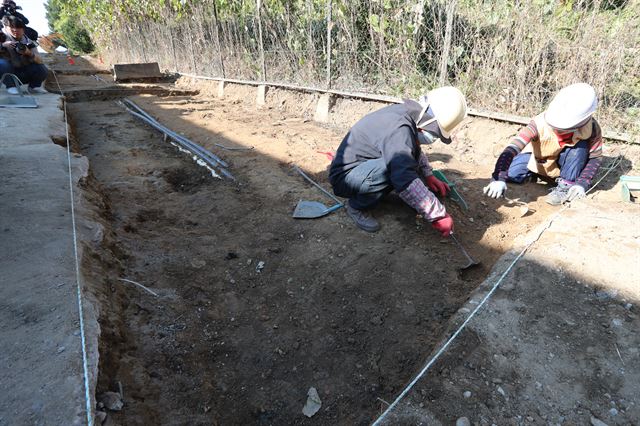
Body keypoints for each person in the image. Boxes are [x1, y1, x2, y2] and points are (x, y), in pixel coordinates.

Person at [328, 86, 467, 235]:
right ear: (426, 122)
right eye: (435, 133)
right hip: (344, 178)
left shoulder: (406, 116)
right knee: (396, 169)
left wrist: (428, 175)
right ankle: (356, 206)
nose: (434, 137)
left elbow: (411, 149)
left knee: (402, 164)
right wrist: (438, 215)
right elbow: (403, 176)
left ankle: (377, 193)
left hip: (362, 169)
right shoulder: (399, 127)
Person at [484, 83, 603, 205]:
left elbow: (596, 157)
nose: (559, 131)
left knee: (580, 148)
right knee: (512, 174)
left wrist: (582, 183)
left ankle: (566, 185)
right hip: (540, 160)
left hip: (567, 165)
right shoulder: (538, 124)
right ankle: (538, 176)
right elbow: (513, 148)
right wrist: (498, 177)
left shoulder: (592, 128)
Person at [0, 14, 48, 94]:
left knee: (42, 69)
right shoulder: (2, 37)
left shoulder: (28, 41)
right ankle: (11, 86)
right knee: (2, 64)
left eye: (18, 28)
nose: (15, 30)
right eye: (12, 27)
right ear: (6, 27)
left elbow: (40, 60)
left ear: (23, 29)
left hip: (21, 72)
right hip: (5, 73)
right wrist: (2, 45)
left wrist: (29, 53)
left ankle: (34, 87)